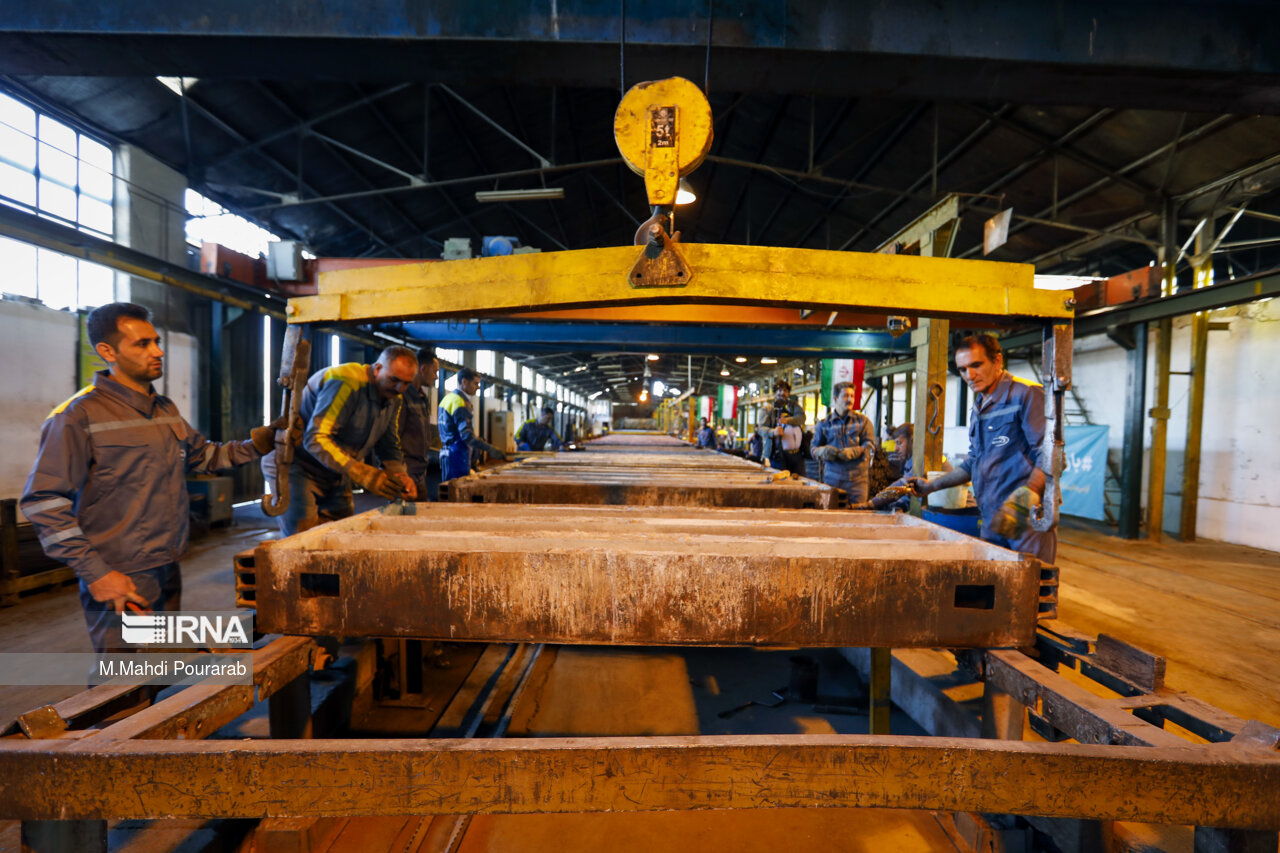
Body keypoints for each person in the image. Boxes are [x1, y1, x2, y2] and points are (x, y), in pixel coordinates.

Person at [21, 302, 278, 652]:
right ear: (107, 351)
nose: (157, 352)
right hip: (120, 573)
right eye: (142, 344)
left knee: (158, 666)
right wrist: (95, 572)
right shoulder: (76, 416)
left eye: (156, 341)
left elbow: (204, 456)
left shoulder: (165, 409)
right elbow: (43, 502)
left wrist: (256, 445)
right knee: (123, 682)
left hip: (167, 563)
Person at [909, 334, 1056, 564]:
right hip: (991, 518)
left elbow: (1052, 455)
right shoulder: (979, 406)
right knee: (996, 591)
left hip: (1025, 519)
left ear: (997, 361)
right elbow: (973, 462)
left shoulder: (1026, 394)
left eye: (976, 365)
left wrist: (1029, 493)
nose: (970, 375)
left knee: (1031, 589)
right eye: (963, 369)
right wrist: (931, 486)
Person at [265, 345, 419, 537]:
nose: (400, 388)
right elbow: (315, 439)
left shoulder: (394, 397)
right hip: (298, 467)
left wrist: (400, 475)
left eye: (406, 384)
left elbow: (388, 443)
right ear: (378, 368)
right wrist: (362, 473)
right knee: (303, 540)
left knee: (343, 536)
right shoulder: (346, 381)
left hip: (335, 473)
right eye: (394, 380)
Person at [810, 381, 877, 502]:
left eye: (852, 396)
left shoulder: (863, 422)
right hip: (832, 481)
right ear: (835, 398)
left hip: (858, 483)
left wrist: (855, 451)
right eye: (846, 396)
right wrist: (822, 451)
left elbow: (871, 445)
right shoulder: (824, 424)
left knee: (859, 516)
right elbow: (813, 449)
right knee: (833, 517)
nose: (850, 400)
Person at [439, 367, 507, 481]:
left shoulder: (447, 399)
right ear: (464, 382)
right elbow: (467, 436)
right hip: (458, 455)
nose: (478, 387)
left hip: (447, 454)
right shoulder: (460, 403)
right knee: (460, 492)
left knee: (448, 490)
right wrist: (490, 449)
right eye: (475, 383)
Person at [400, 346, 443, 501]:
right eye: (435, 372)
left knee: (420, 516)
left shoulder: (421, 397)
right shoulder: (403, 397)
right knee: (404, 519)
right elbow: (393, 438)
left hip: (420, 472)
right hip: (406, 474)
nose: (436, 377)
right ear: (423, 369)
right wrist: (401, 473)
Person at [756, 380, 806, 468]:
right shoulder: (767, 409)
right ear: (774, 393)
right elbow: (761, 429)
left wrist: (787, 420)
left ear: (788, 393)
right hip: (777, 456)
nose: (782, 392)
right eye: (779, 390)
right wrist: (773, 432)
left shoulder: (794, 406)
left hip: (797, 455)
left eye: (785, 390)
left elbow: (802, 418)